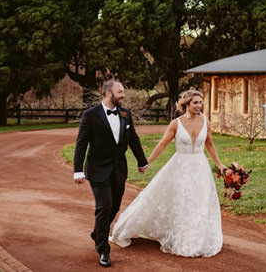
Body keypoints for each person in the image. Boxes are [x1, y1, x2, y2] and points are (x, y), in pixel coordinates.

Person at [110, 89, 226, 257]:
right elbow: (162, 144)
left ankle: (196, 238)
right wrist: (146, 162)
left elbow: (210, 145)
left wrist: (219, 164)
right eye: (195, 103)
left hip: (200, 167)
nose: (199, 106)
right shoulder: (176, 124)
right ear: (186, 104)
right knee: (180, 201)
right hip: (180, 166)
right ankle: (133, 229)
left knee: (199, 202)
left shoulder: (205, 122)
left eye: (201, 103)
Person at [74, 79, 148, 268]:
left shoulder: (125, 114)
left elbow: (133, 138)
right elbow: (81, 143)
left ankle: (97, 232)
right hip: (98, 170)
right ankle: (103, 249)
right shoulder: (90, 116)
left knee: (114, 207)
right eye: (120, 91)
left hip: (118, 170)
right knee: (104, 206)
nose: (123, 95)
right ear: (109, 93)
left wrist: (141, 160)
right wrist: (77, 170)